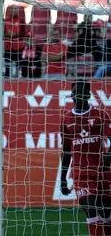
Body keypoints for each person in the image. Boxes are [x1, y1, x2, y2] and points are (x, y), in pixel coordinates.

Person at [60, 80, 111, 236]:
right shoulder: (66, 119)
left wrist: (109, 155)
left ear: (88, 95)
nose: (78, 97)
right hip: (81, 172)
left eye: (82, 93)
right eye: (75, 94)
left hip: (102, 170)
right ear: (72, 96)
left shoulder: (100, 115)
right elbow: (67, 151)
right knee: (91, 209)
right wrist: (62, 179)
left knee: (106, 213)